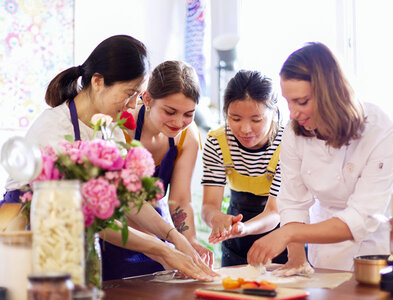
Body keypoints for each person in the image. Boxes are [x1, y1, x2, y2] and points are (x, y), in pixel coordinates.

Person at [1, 35, 217, 281]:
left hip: (76, 239)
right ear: (98, 82)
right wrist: (161, 249)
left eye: (138, 94)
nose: (134, 103)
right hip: (25, 235)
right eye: (130, 93)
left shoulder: (110, 130)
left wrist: (174, 236)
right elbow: (87, 214)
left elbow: (127, 200)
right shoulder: (54, 129)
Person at [247, 42, 393, 273]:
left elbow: (361, 216)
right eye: (289, 102)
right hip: (325, 252)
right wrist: (297, 258)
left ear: (331, 94)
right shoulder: (293, 132)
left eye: (302, 102)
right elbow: (293, 201)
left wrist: (288, 233)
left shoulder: (382, 132)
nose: (293, 113)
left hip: (375, 250)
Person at [123, 60, 214, 272]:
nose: (178, 122)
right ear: (147, 99)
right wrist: (164, 244)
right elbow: (123, 202)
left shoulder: (187, 137)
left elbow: (179, 199)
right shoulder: (121, 127)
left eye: (188, 114)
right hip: (120, 234)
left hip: (159, 231)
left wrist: (189, 240)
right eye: (170, 111)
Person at [201, 70, 288, 267]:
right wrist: (217, 218)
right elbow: (208, 206)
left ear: (274, 113)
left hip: (281, 238)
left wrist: (243, 228)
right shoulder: (218, 141)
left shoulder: (288, 143)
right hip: (236, 241)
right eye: (235, 118)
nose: (245, 129)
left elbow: (274, 212)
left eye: (256, 119)